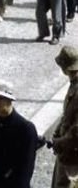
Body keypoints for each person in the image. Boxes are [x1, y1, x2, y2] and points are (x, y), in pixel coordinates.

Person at [51, 46, 78, 188]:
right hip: (66, 153)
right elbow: (68, 114)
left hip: (72, 157)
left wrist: (59, 141)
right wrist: (58, 129)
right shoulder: (74, 83)